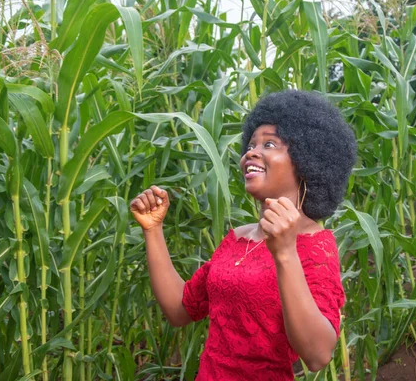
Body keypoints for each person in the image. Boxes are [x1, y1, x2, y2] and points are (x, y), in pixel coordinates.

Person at [130, 90, 357, 380]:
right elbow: (180, 309)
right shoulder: (238, 239)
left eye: (270, 144)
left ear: (306, 159)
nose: (251, 152)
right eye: (250, 144)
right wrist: (152, 230)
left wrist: (285, 252)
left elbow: (317, 354)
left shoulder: (316, 245)